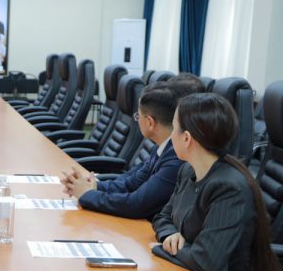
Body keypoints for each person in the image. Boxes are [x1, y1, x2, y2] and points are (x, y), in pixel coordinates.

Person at [152, 93, 283, 271]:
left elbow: (206, 261)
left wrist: (163, 248)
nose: (171, 136)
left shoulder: (228, 187)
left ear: (186, 138)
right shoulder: (188, 170)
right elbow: (162, 216)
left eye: (174, 128)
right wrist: (170, 234)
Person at [61, 74, 205, 220]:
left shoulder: (176, 157)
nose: (136, 120)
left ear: (150, 122)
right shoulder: (162, 147)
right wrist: (91, 186)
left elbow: (136, 204)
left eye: (138, 116)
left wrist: (87, 194)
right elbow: (132, 182)